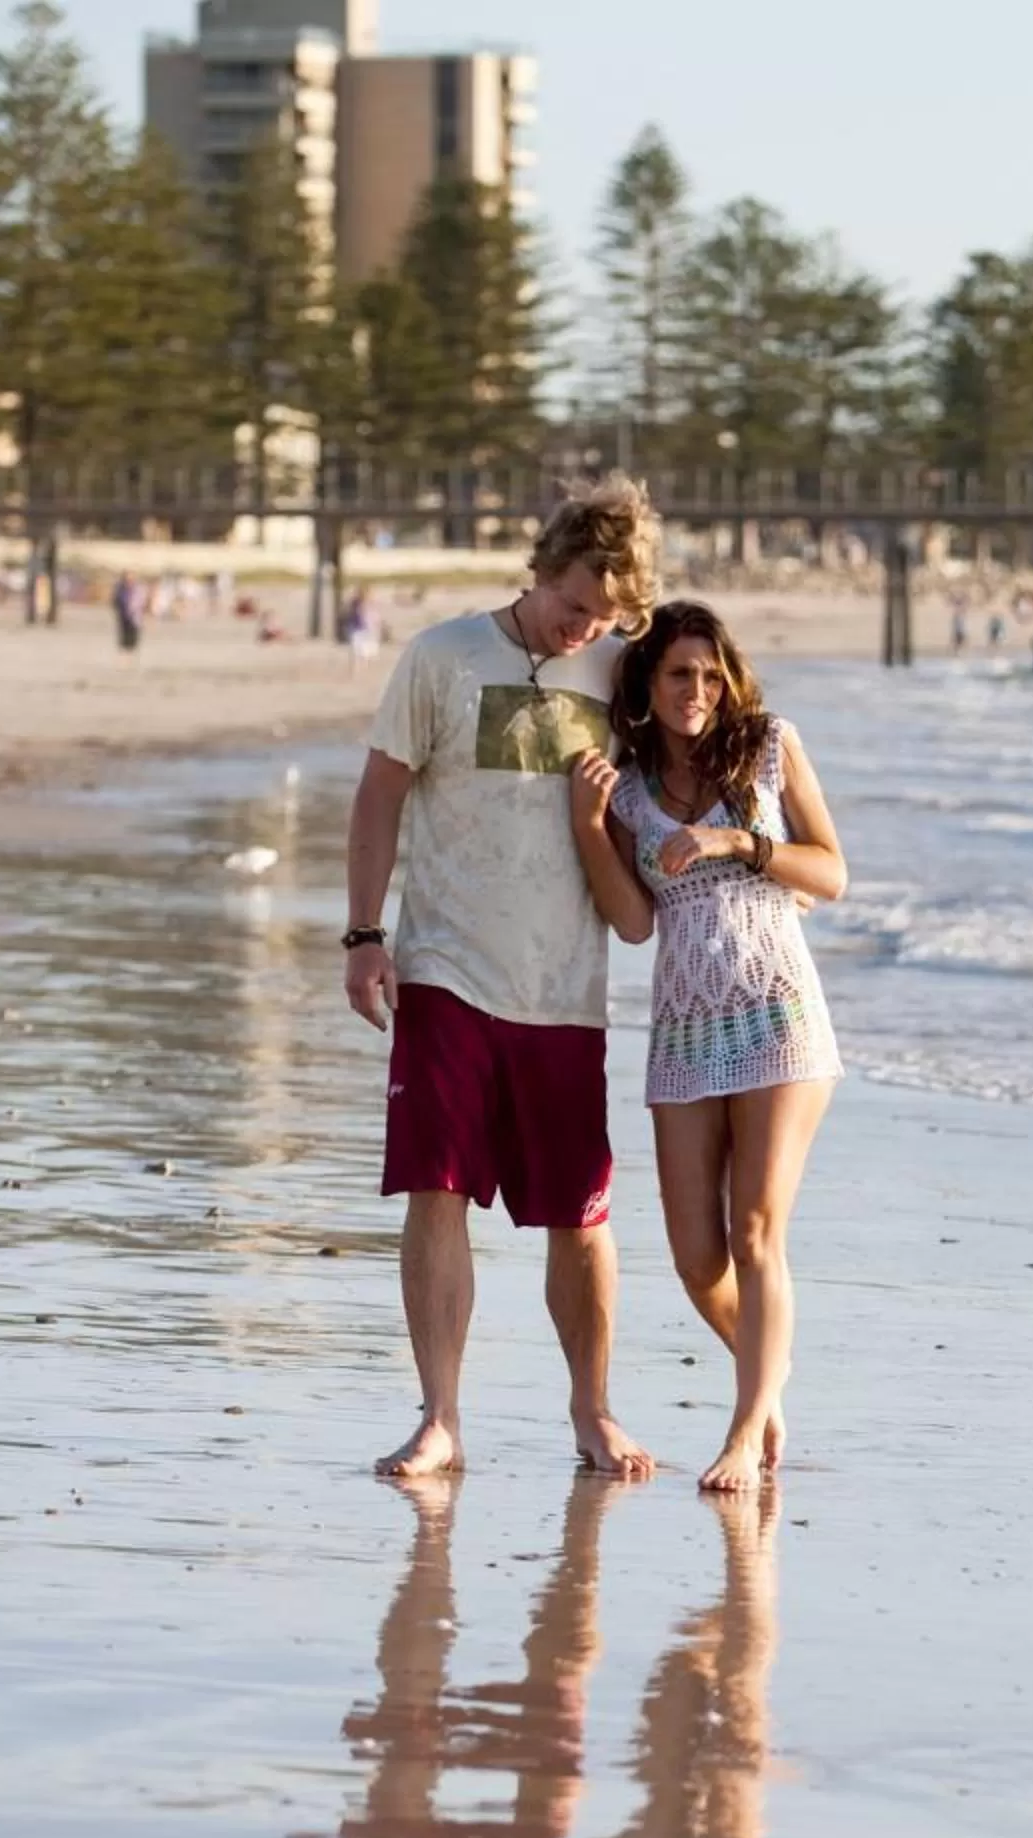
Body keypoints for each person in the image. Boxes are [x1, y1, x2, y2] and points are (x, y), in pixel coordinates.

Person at [345, 475, 665, 1482]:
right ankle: (440, 1416)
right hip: (444, 966)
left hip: (565, 985)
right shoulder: (441, 657)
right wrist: (364, 935)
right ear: (543, 567)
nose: (583, 631)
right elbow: (380, 793)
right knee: (435, 1188)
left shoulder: (620, 674)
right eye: (574, 606)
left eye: (604, 617)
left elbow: (701, 746)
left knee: (581, 1210)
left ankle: (593, 1410)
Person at [567, 602, 845, 1493]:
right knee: (697, 1259)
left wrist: (738, 839)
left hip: (778, 1012)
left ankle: (747, 1422)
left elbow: (831, 873)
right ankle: (772, 1372)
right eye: (680, 674)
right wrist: (588, 826)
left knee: (756, 1230)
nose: (697, 691)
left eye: (711, 675)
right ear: (649, 682)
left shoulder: (767, 746)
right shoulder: (633, 791)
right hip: (684, 1026)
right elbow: (634, 924)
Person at [112, 571, 143, 655]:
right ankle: (124, 662)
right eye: (127, 579)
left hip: (134, 619)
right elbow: (115, 603)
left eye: (131, 579)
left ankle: (130, 661)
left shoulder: (137, 590)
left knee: (132, 642)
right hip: (124, 619)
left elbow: (141, 605)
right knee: (124, 642)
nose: (129, 581)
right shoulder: (120, 591)